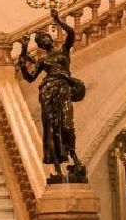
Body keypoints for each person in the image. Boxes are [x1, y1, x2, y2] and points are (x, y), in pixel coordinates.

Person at [16, 9, 87, 182]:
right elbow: (30, 78)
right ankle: (57, 167)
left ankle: (74, 157)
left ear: (51, 38)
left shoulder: (64, 51)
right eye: (41, 41)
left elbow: (71, 33)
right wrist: (23, 62)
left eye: (45, 38)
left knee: (67, 126)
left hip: (63, 89)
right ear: (40, 45)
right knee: (52, 128)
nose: (44, 41)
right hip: (48, 92)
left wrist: (58, 20)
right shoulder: (42, 60)